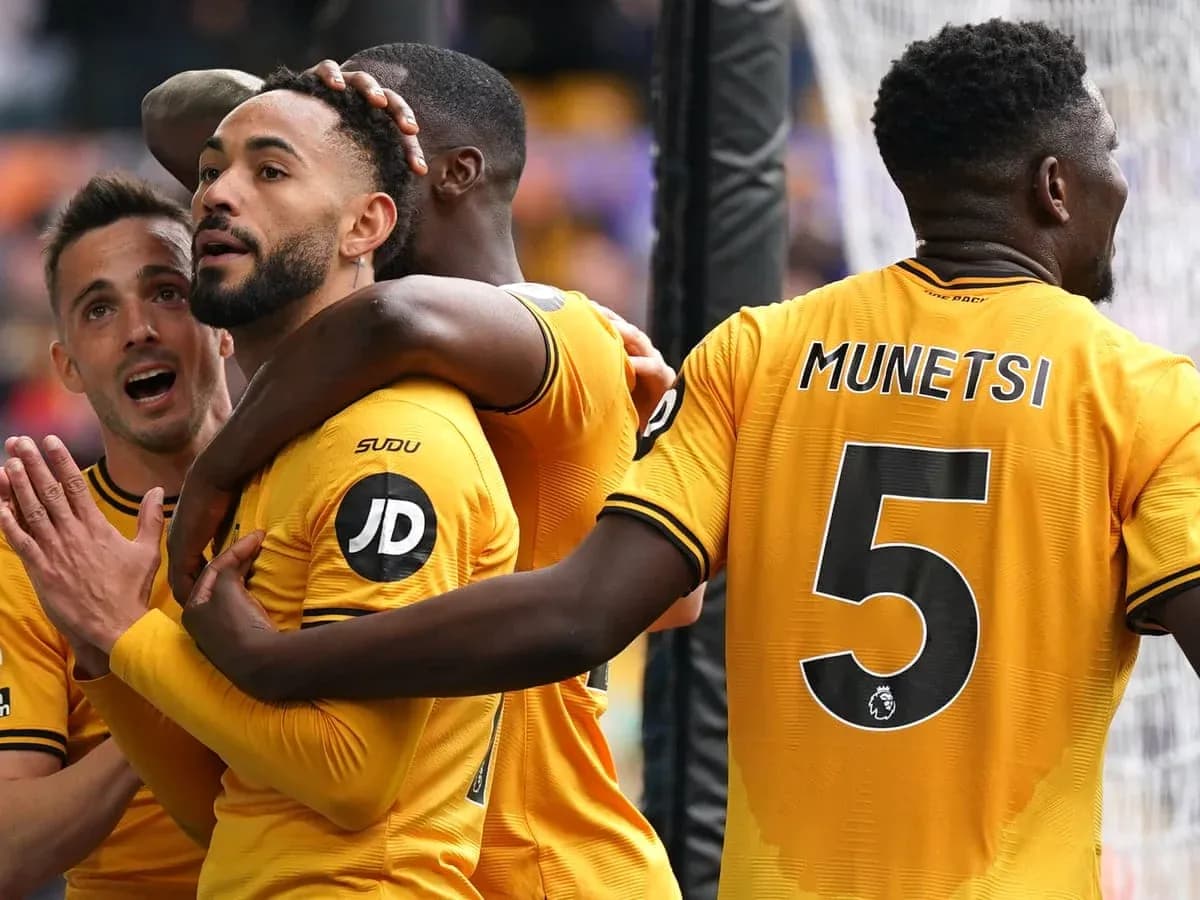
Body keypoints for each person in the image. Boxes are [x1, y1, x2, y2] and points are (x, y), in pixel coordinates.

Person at [117, 18, 1200, 898]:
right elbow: (626, 604)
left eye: (279, 163)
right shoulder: (1143, 395)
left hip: (574, 870)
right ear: (1056, 186)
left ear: (401, 197)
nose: (231, 190)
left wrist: (232, 618)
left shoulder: (719, 347)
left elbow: (584, 606)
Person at [144, 44, 684, 898]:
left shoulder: (561, 330)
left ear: (452, 174)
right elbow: (176, 119)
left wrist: (211, 477)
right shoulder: (357, 368)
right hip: (443, 850)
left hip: (549, 862)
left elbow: (393, 317)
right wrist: (301, 96)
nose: (223, 191)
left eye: (384, 124)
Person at [3, 70, 517, 899]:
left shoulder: (387, 442)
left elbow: (351, 776)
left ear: (366, 225)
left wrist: (129, 637)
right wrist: (115, 655)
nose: (214, 196)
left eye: (266, 171)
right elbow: (225, 807)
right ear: (61, 360)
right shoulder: (270, 464)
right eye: (209, 174)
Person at [0, 175, 223, 897]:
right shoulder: (33, 554)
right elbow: (8, 853)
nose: (139, 330)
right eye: (99, 310)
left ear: (223, 317)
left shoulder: (317, 485)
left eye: (167, 292)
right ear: (66, 365)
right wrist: (149, 661)